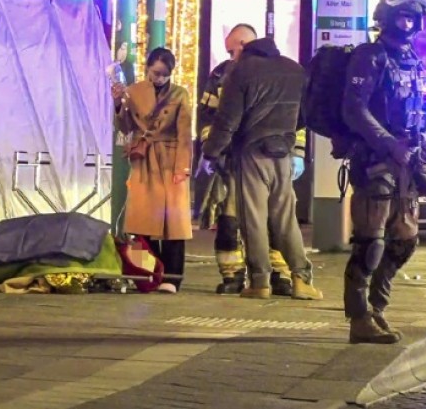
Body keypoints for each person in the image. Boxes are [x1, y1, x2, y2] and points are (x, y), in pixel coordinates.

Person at [341, 0, 426, 344]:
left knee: (405, 241)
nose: (409, 22)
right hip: (375, 162)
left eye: (414, 17)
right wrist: (386, 144)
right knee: (370, 242)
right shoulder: (370, 57)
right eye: (403, 15)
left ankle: (377, 308)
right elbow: (354, 109)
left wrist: (421, 143)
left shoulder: (412, 57)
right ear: (386, 17)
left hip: (408, 162)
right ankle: (359, 318)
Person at [200, 34, 322, 301]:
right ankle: (302, 279)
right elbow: (305, 115)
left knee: (253, 219)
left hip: (251, 153)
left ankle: (260, 282)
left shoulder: (241, 71)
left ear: (244, 49)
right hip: (283, 153)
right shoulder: (294, 69)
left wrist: (210, 153)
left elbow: (227, 121)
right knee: (285, 218)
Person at [111, 47, 193, 293]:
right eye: (156, 73)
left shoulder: (180, 94)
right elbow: (125, 127)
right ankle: (148, 272)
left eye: (165, 74)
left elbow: (184, 133)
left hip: (169, 158)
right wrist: (117, 104)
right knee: (139, 221)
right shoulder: (134, 91)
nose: (159, 79)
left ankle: (172, 277)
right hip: (143, 159)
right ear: (147, 68)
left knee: (173, 223)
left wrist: (183, 167)